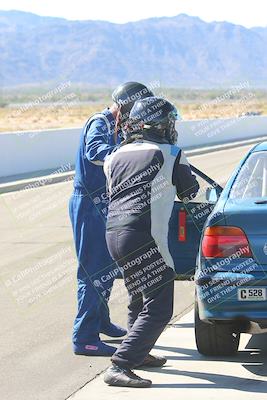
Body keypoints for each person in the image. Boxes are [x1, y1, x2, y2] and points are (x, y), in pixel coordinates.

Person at [103, 96, 200, 386]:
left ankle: (139, 353)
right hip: (144, 236)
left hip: (114, 234)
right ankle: (121, 364)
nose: (172, 127)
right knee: (159, 307)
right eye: (169, 122)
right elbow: (191, 194)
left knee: (138, 295)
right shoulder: (171, 153)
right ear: (159, 125)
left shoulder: (114, 156)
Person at [69, 82, 154, 356]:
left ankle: (101, 321)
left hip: (108, 205)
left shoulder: (120, 126)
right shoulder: (100, 122)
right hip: (90, 205)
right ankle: (85, 337)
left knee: (106, 270)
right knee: (93, 272)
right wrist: (126, 157)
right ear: (122, 107)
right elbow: (94, 151)